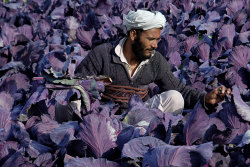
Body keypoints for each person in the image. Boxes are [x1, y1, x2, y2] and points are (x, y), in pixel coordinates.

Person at [55, 9, 231, 123]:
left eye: (158, 39)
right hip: (104, 119)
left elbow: (180, 90)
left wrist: (205, 98)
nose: (155, 45)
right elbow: (77, 88)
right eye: (151, 39)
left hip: (138, 116)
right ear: (133, 34)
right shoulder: (102, 55)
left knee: (175, 97)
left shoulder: (155, 61)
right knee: (72, 103)